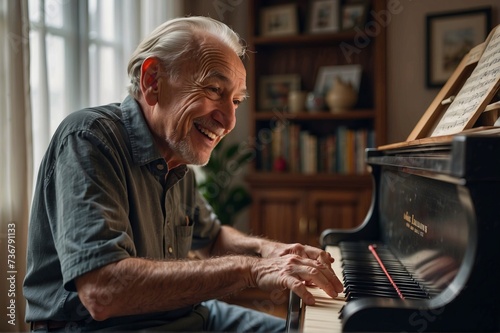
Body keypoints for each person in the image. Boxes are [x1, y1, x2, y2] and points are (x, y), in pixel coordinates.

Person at [23, 16, 343, 332]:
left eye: (236, 100)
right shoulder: (89, 138)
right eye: (214, 89)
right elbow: (103, 291)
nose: (229, 120)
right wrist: (253, 269)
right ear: (153, 81)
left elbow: (214, 238)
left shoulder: (176, 157)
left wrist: (269, 252)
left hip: (186, 316)